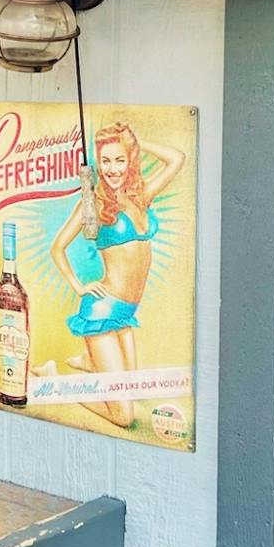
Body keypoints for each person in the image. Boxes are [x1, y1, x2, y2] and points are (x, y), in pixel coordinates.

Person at [49, 121, 186, 428]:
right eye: (106, 161)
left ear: (130, 159)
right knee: (124, 416)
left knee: (132, 387)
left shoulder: (141, 196)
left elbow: (177, 159)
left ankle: (92, 362)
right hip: (103, 310)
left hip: (125, 314)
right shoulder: (95, 204)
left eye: (120, 159)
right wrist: (78, 285)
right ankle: (56, 381)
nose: (112, 169)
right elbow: (57, 247)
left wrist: (137, 142)